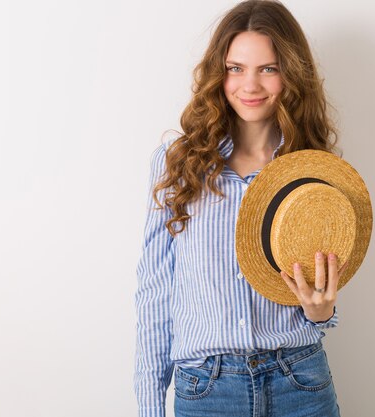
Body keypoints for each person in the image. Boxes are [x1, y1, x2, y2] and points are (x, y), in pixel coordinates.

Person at [134, 1, 346, 416]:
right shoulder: (178, 164)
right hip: (208, 389)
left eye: (268, 68)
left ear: (291, 74)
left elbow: (323, 285)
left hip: (299, 380)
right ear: (219, 72)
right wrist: (149, 406)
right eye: (236, 68)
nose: (250, 84)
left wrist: (321, 313)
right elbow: (154, 293)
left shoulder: (313, 170)